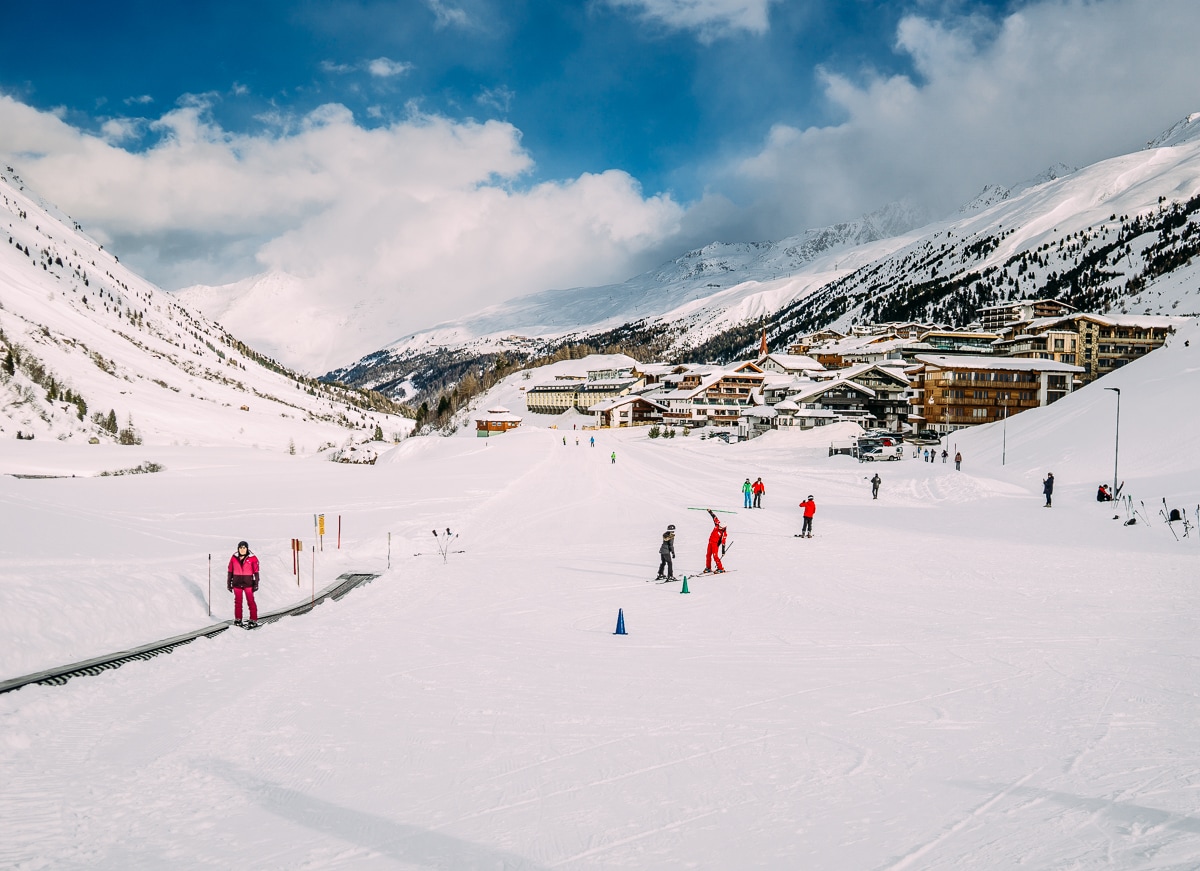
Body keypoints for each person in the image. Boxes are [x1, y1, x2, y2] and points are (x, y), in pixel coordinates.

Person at [227, 540, 260, 628]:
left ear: (247, 548)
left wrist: (256, 583)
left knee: (250, 601)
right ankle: (238, 619)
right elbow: (230, 571)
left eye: (244, 548)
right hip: (237, 583)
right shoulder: (234, 557)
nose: (242, 549)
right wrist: (228, 583)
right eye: (240, 548)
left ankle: (253, 619)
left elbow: (256, 572)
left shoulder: (252, 558)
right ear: (238, 549)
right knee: (238, 602)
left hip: (248, 583)